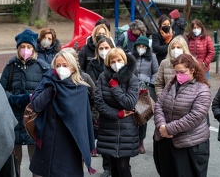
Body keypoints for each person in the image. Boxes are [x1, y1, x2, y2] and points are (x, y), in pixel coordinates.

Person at [29, 51, 96, 176]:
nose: (61, 69)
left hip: (69, 146)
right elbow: (36, 105)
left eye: (64, 65)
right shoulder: (47, 81)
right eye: (58, 65)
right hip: (48, 142)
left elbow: (82, 121)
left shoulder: (80, 88)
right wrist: (51, 87)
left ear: (72, 67)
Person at [0, 28, 50, 172]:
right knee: (15, 160)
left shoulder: (42, 67)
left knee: (36, 160)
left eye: (28, 47)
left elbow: (47, 91)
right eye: (22, 46)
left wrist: (33, 100)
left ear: (33, 48)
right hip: (13, 118)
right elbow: (1, 91)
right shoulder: (10, 66)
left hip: (34, 118)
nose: (25, 50)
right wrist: (15, 99)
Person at [153, 54, 211, 177]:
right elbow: (158, 105)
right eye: (176, 71)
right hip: (165, 140)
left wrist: (169, 129)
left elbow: (195, 116)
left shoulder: (202, 89)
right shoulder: (171, 84)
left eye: (182, 72)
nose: (178, 75)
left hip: (188, 143)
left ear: (192, 70)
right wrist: (161, 125)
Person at [95, 48, 139, 177]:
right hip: (108, 127)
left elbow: (129, 103)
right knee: (113, 166)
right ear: (108, 63)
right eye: (112, 61)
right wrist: (117, 114)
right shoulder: (103, 78)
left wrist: (115, 87)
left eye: (119, 60)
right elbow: (99, 102)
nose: (116, 63)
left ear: (124, 60)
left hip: (126, 129)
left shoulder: (132, 78)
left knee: (123, 166)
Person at [86, 37, 115, 177]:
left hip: (116, 104)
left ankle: (119, 165)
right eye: (101, 48)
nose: (104, 51)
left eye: (106, 48)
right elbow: (94, 85)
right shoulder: (92, 64)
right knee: (104, 139)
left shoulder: (117, 62)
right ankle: (107, 167)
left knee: (117, 138)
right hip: (102, 105)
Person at [131, 35, 159, 154]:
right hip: (132, 88)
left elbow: (156, 72)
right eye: (139, 46)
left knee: (142, 116)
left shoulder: (152, 57)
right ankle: (132, 141)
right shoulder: (130, 56)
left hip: (145, 90)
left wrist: (150, 84)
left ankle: (141, 141)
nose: (141, 48)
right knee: (132, 116)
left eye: (143, 46)